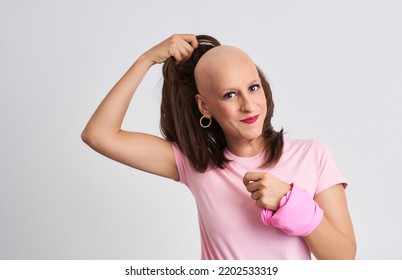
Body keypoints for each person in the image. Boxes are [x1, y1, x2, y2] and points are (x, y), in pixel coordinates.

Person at [81, 34, 356, 260]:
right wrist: (146, 59)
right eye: (230, 94)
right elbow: (99, 135)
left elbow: (343, 258)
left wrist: (289, 202)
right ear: (204, 106)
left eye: (253, 87)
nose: (249, 105)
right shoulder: (196, 164)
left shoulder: (312, 155)